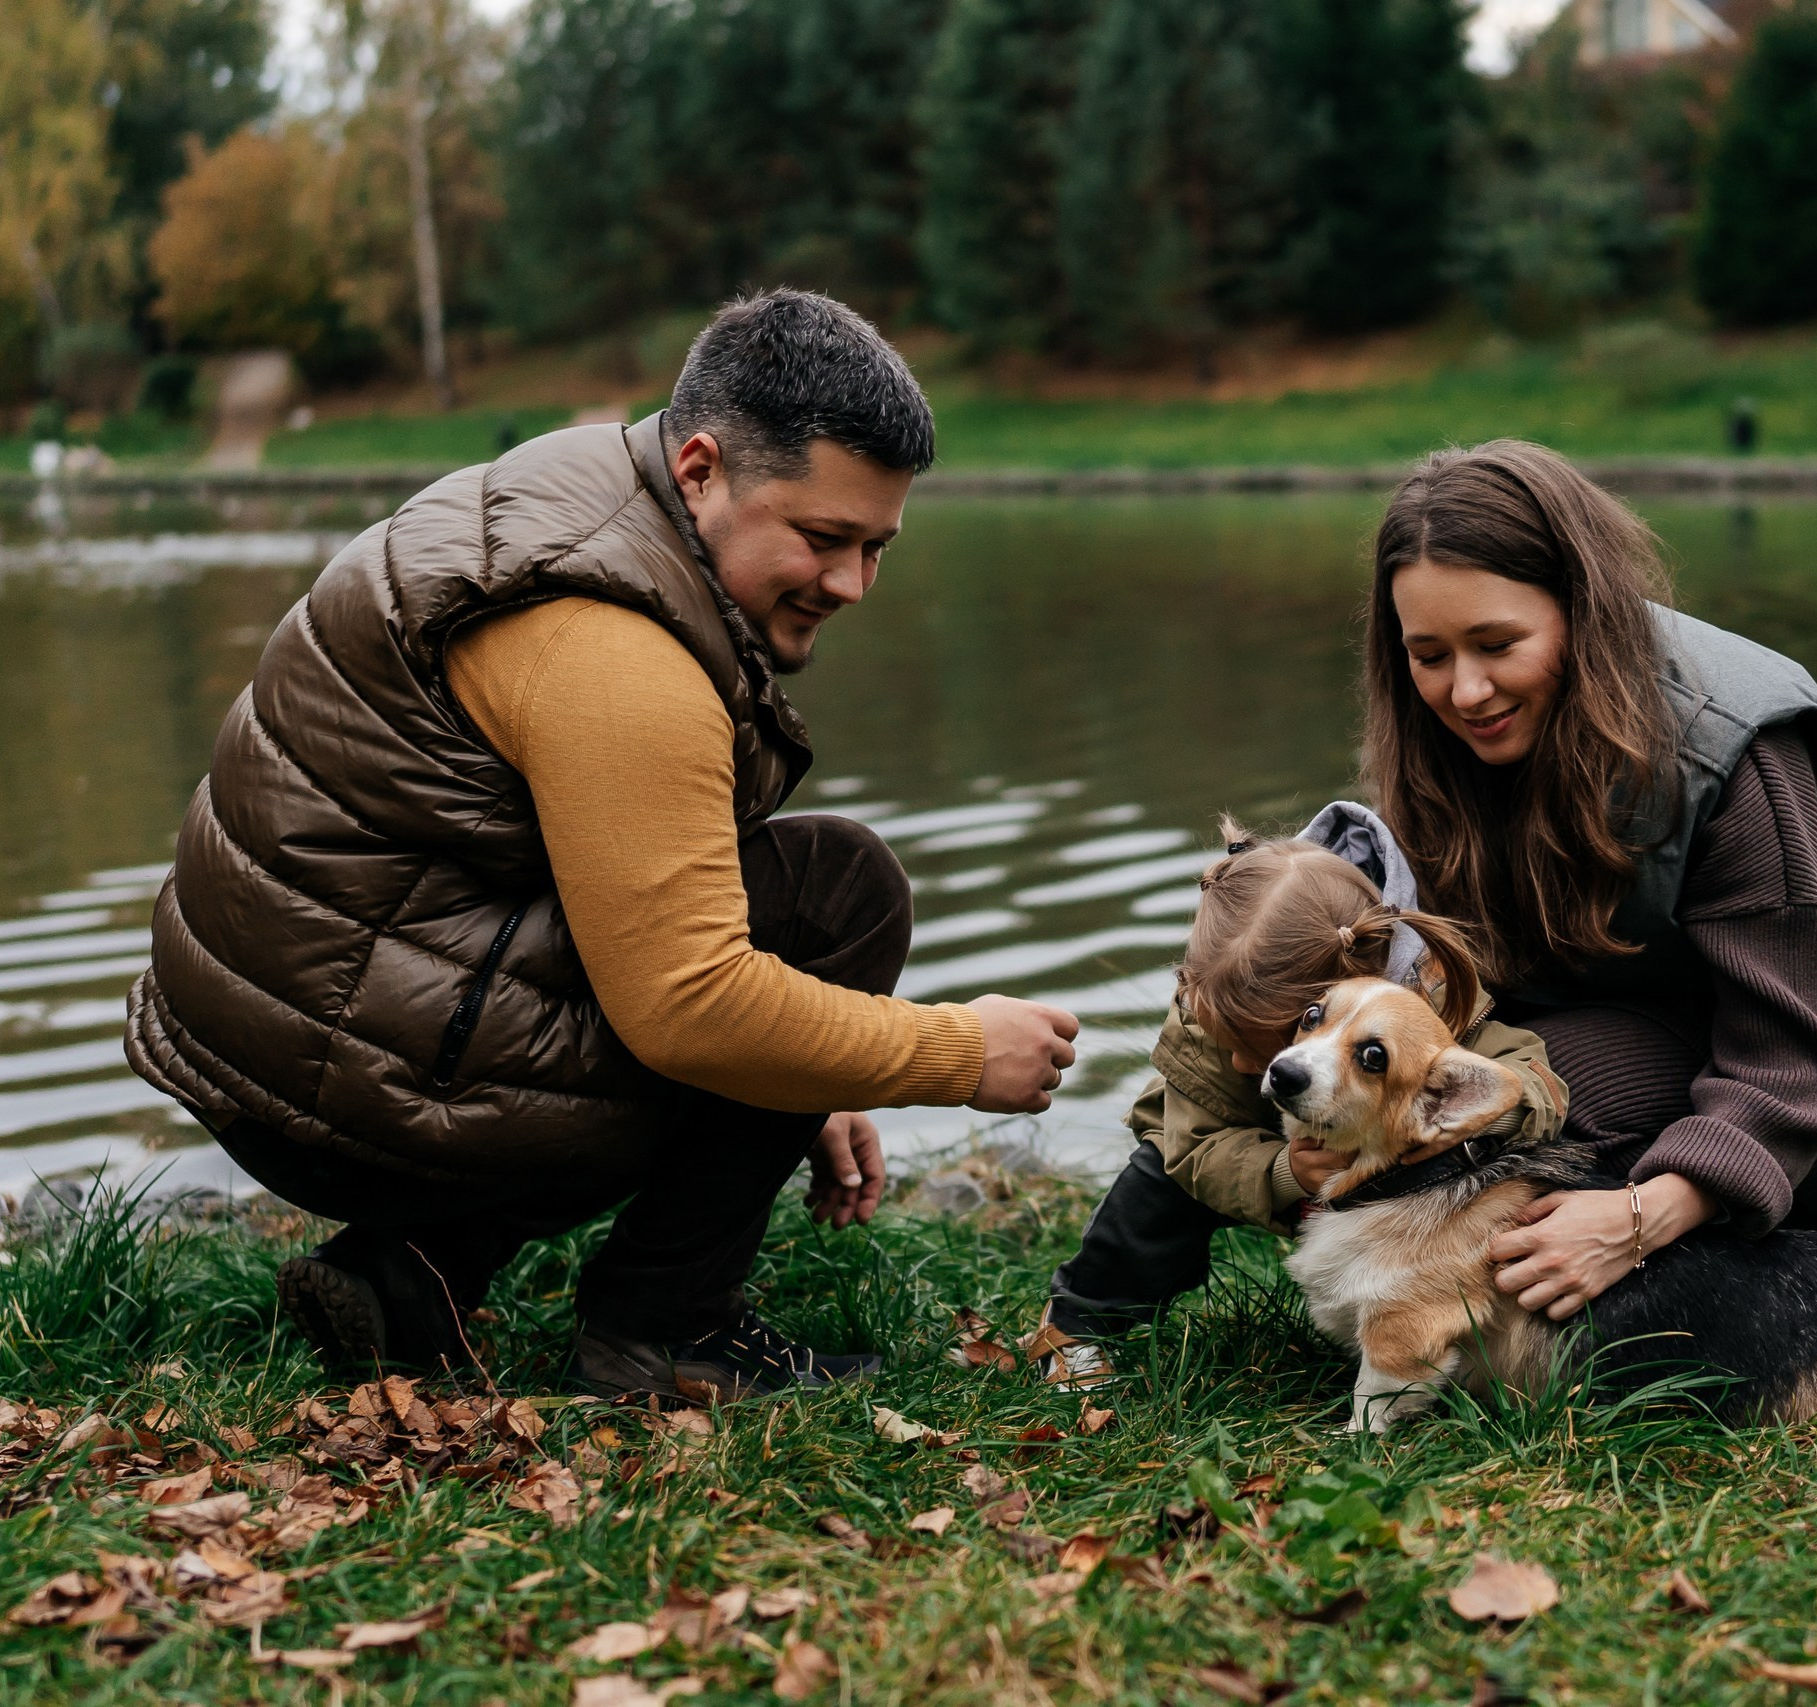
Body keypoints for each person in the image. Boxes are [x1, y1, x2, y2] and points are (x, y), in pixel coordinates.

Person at [125, 290, 1080, 1401]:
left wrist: (801, 1084)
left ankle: (413, 1275)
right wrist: (954, 1053)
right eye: (822, 538)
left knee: (794, 930)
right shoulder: (615, 654)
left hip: (296, 1024)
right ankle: (663, 1333)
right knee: (840, 897)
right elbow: (687, 1004)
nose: (851, 584)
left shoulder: (589, 489)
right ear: (701, 470)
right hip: (335, 1085)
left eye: (876, 546)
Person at [1361, 440, 1817, 1322]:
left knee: (1540, 1096)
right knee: (1437, 1093)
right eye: (1428, 655)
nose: (1465, 690)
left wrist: (1635, 1219)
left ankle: (1803, 1233)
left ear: (1585, 610)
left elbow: (1786, 1063)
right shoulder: (1452, 738)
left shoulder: (1736, 746)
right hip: (1679, 1013)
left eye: (1498, 643)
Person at [1020, 809, 1567, 1387]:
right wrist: (1282, 1172)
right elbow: (1192, 1146)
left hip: (1385, 1167)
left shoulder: (1420, 995)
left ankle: (1423, 1319)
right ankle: (1078, 1321)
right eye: (1227, 1041)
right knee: (1156, 1181)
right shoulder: (1218, 991)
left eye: (1265, 1042)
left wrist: (1476, 1113)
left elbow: (1525, 1070)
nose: (1244, 1064)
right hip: (1246, 1149)